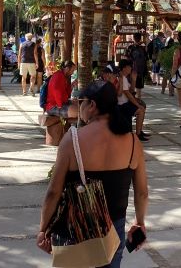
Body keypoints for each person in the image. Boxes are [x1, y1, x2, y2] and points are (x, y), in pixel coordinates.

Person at [37, 80, 149, 268]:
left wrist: (43, 228)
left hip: (76, 228)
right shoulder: (132, 142)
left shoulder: (72, 140)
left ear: (92, 105)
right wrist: (139, 222)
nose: (79, 106)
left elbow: (54, 192)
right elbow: (142, 192)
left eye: (81, 101)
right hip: (114, 229)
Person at [117, 59, 149, 141]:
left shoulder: (125, 78)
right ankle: (138, 134)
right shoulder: (122, 78)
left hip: (125, 103)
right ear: (124, 68)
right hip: (122, 105)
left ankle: (139, 131)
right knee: (141, 110)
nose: (131, 68)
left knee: (142, 106)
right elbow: (128, 94)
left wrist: (133, 80)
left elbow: (131, 90)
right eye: (129, 67)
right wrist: (137, 105)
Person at [126, 33, 148, 99]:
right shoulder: (143, 48)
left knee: (131, 85)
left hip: (132, 69)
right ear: (140, 38)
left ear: (133, 38)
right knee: (139, 88)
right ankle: (139, 100)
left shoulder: (130, 47)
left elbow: (127, 57)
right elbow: (146, 58)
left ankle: (131, 100)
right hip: (141, 70)